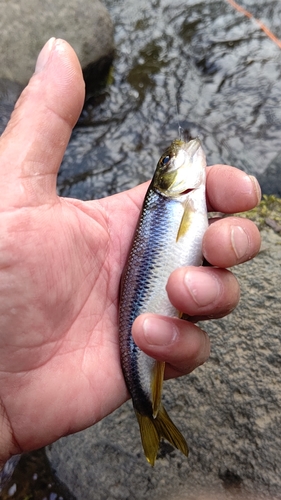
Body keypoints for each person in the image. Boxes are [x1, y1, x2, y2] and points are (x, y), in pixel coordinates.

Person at [0, 38, 261, 472]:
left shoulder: (174, 203)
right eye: (167, 161)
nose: (179, 153)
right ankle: (150, 412)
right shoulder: (173, 204)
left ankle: (150, 411)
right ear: (166, 181)